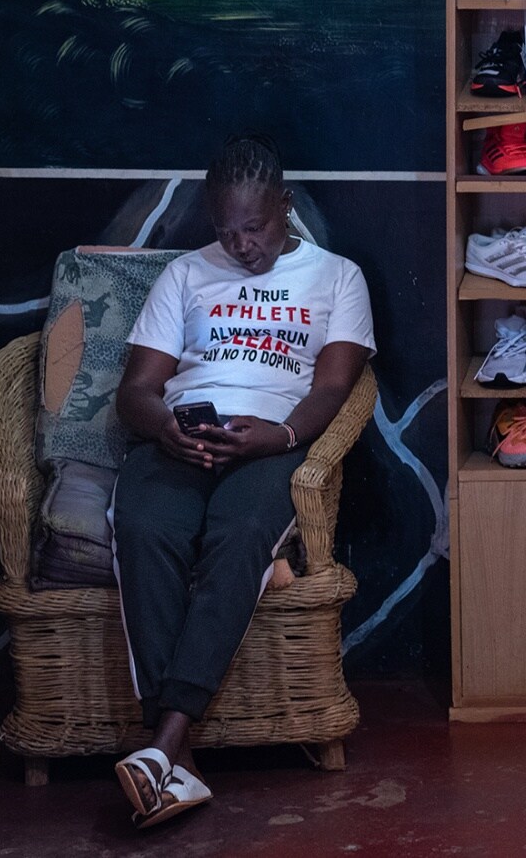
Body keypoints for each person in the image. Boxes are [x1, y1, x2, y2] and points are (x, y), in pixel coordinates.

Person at [109, 133, 373, 828]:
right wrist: (165, 426)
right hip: (184, 438)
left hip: (272, 443)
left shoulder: (337, 276)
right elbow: (135, 390)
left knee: (240, 532)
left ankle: (164, 740)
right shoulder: (186, 275)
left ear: (283, 207)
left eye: (253, 227)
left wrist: (281, 435)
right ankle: (178, 760)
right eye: (226, 231)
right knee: (143, 526)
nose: (241, 245)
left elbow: (336, 384)